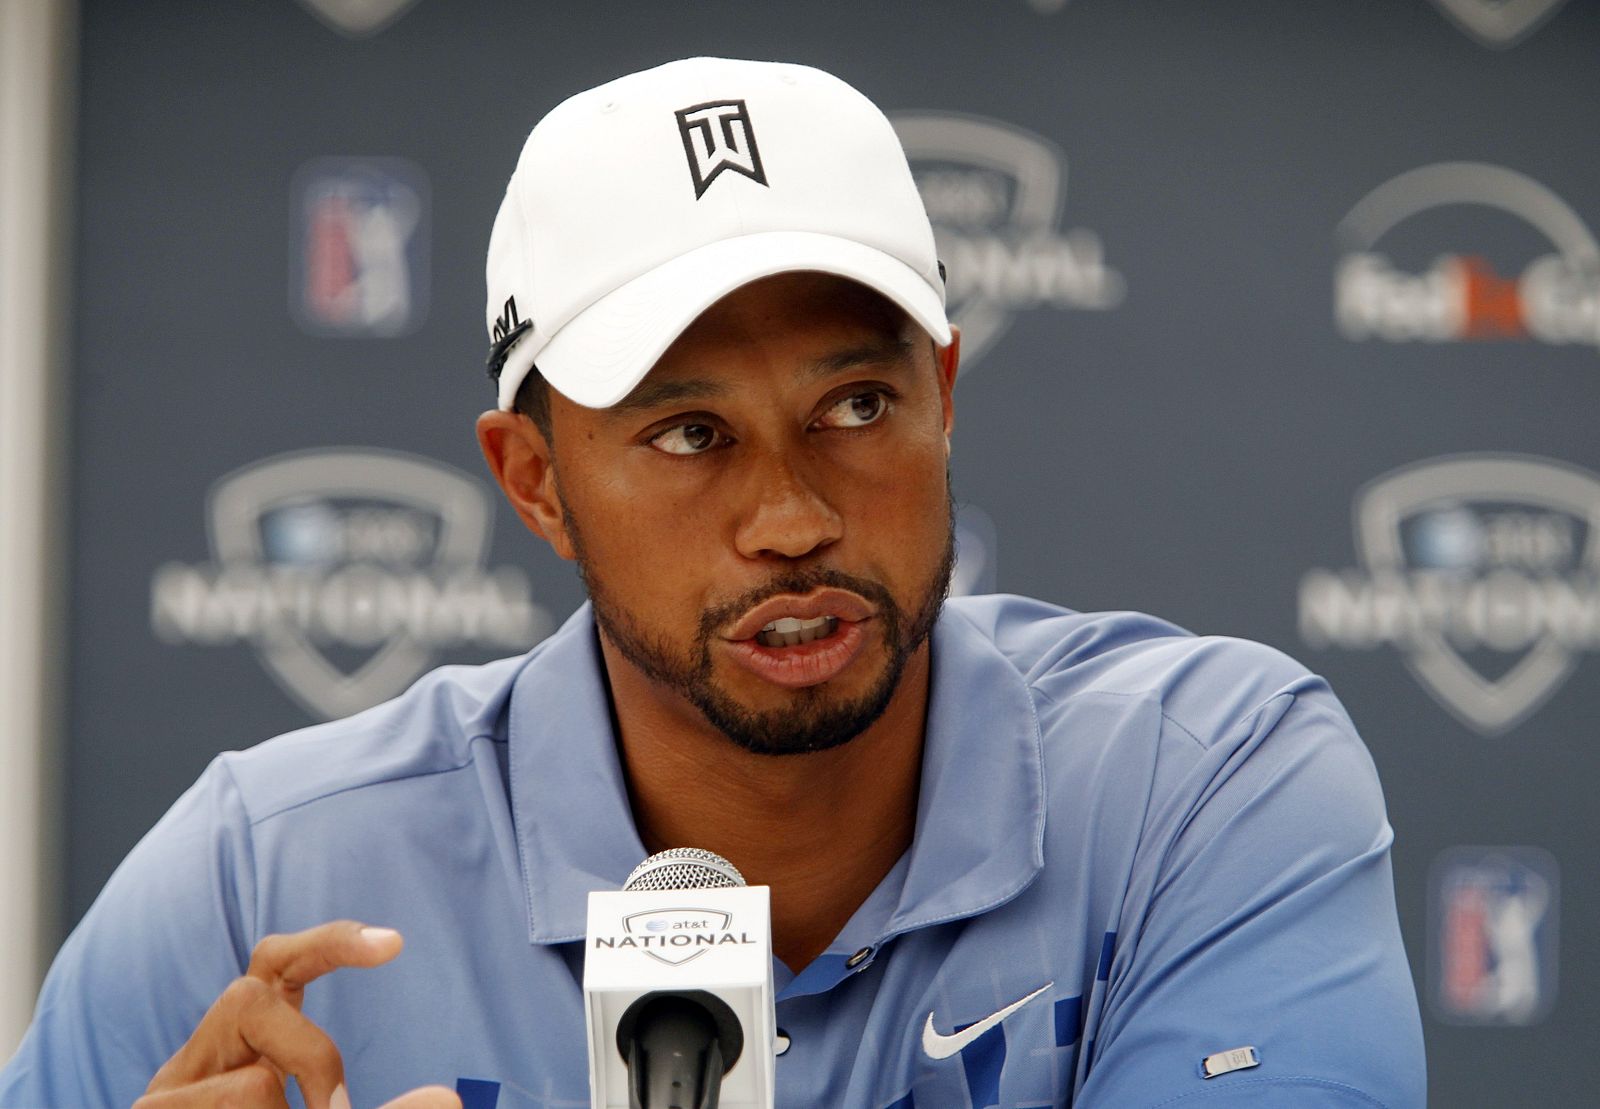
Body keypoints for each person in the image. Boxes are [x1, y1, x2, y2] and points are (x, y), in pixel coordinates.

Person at [0, 57, 1426, 1108]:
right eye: (688, 435)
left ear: (942, 396)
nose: (793, 515)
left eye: (856, 406)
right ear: (535, 481)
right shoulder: (265, 871)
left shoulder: (1207, 778)